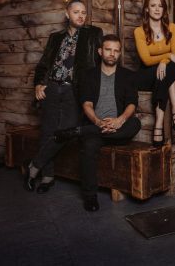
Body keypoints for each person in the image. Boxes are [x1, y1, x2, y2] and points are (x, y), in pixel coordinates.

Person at [54, 34, 141, 211]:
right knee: (88, 148)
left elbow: (132, 103)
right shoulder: (89, 75)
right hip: (96, 126)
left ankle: (79, 131)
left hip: (119, 130)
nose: (112, 54)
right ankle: (90, 196)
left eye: (116, 51)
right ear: (100, 51)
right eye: (108, 50)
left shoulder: (127, 76)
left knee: (136, 123)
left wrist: (119, 120)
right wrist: (98, 122)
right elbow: (86, 104)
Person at [25, 0, 102, 194]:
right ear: (67, 14)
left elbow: (97, 64)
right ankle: (47, 176)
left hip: (73, 90)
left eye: (84, 12)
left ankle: (34, 165)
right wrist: (38, 84)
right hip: (51, 87)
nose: (81, 15)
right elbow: (43, 65)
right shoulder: (55, 37)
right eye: (76, 12)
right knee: (48, 131)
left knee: (67, 132)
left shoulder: (93, 34)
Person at [134, 0, 175, 147]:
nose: (157, 9)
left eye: (160, 6)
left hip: (165, 72)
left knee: (174, 68)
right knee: (170, 72)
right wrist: (167, 56)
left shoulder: (172, 27)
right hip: (146, 73)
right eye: (153, 5)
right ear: (146, 9)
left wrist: (164, 61)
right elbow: (146, 60)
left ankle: (159, 123)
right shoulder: (139, 31)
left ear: (164, 9)